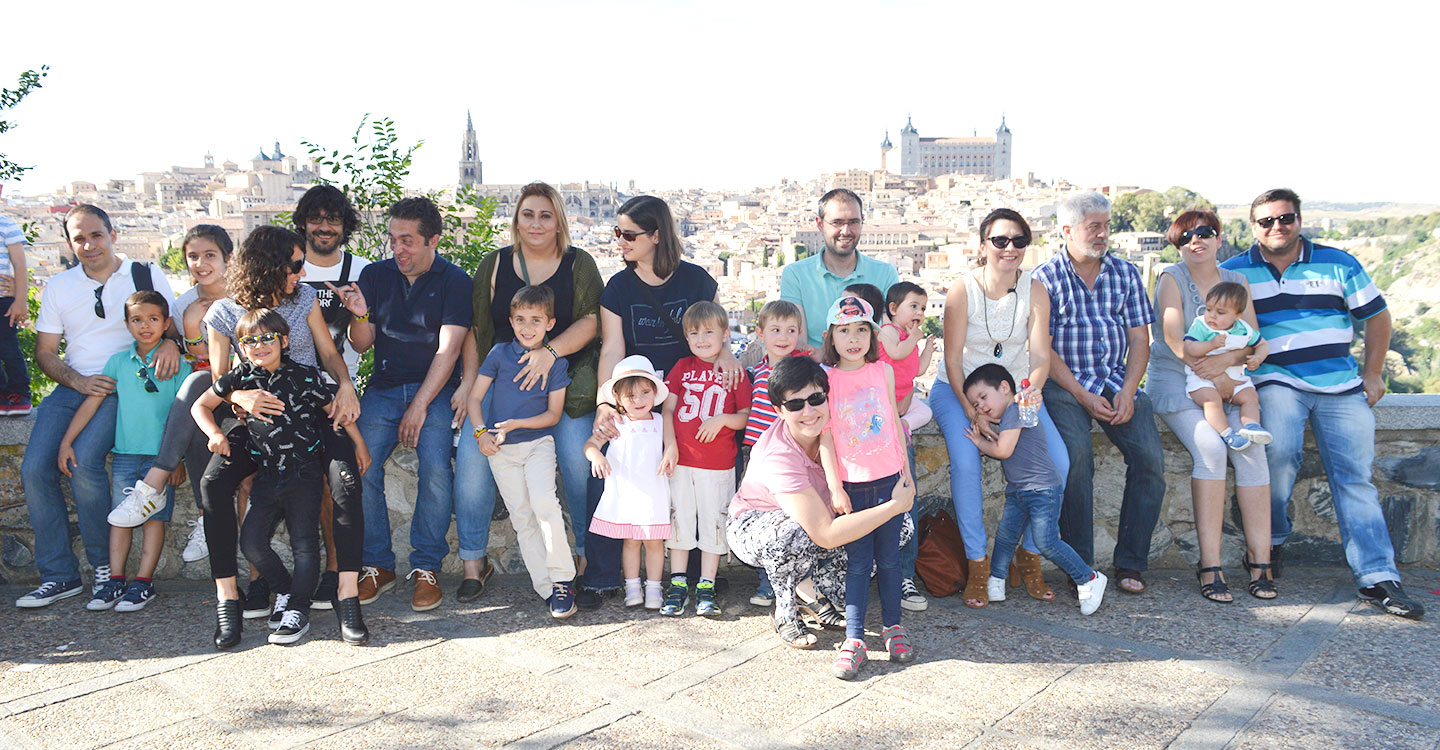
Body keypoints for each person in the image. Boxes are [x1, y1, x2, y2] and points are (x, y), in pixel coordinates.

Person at [1222, 188, 1423, 618]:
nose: (1277, 227)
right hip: (1275, 381)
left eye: (1286, 218)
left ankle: (1377, 577)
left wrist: (1372, 372)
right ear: (1252, 227)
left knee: (1355, 479)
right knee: (1277, 460)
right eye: (1266, 221)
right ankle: (1269, 544)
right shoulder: (1234, 272)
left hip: (1339, 385)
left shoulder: (1339, 263)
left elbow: (1377, 316)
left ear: (1299, 220)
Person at [199, 225, 368, 647]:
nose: (301, 272)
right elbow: (219, 379)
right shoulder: (222, 313)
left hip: (311, 412)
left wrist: (344, 386)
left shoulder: (304, 299)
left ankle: (347, 595)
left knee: (344, 482)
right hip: (255, 423)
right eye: (295, 265)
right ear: (267, 266)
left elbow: (329, 353)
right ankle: (229, 598)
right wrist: (243, 398)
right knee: (214, 483)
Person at [17, 205, 179, 609]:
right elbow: (45, 353)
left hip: (121, 388)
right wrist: (77, 380)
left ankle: (104, 568)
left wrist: (173, 342)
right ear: (70, 243)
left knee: (84, 461)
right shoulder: (59, 286)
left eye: (96, 235)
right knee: (34, 468)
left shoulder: (144, 273)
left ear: (112, 234)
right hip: (75, 386)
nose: (88, 245)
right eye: (79, 238)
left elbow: (171, 325)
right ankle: (59, 576)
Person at [457, 182, 602, 604]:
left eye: (545, 215)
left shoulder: (579, 264)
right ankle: (472, 563)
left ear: (559, 221)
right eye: (528, 214)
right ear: (516, 220)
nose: (536, 223)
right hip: (499, 388)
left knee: (579, 464)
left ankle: (585, 559)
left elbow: (593, 321)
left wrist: (549, 353)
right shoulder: (496, 265)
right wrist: (471, 386)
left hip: (564, 385)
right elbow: (477, 329)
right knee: (470, 463)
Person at [594, 195, 740, 605]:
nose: (620, 240)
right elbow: (612, 348)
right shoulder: (618, 287)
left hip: (690, 391)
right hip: (638, 395)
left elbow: (714, 327)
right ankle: (609, 574)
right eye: (617, 232)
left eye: (628, 234)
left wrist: (725, 353)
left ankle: (695, 573)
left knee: (693, 480)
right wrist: (606, 401)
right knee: (621, 477)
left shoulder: (695, 280)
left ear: (656, 235)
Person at [726, 356, 913, 664]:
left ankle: (815, 591)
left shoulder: (841, 429)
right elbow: (824, 534)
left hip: (817, 519)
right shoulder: (778, 455)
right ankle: (785, 610)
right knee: (793, 534)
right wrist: (893, 505)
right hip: (754, 524)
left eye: (816, 399)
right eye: (795, 405)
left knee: (900, 527)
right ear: (778, 411)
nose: (809, 411)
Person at [334, 197, 472, 612]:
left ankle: (426, 566)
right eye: (394, 240)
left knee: (434, 468)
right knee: (360, 466)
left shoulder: (456, 281)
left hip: (437, 389)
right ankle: (379, 564)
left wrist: (420, 406)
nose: (399, 249)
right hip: (385, 387)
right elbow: (362, 343)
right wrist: (359, 314)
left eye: (408, 241)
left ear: (433, 239)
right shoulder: (377, 276)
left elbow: (448, 353)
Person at [930, 208, 1070, 607]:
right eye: (1000, 241)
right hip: (958, 390)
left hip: (1015, 393)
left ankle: (1027, 557)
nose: (1010, 248)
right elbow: (954, 361)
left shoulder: (1035, 289)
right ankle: (978, 564)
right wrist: (973, 410)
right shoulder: (963, 290)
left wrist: (1028, 395)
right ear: (983, 246)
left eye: (1019, 241)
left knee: (1058, 464)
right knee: (967, 461)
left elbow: (1041, 355)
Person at [1033, 191, 1164, 595]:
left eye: (1106, 226)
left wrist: (1129, 390)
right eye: (1095, 226)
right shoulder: (1045, 278)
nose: (1104, 234)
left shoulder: (1124, 274)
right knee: (1076, 463)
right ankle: (1082, 570)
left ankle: (1131, 563)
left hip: (1115, 378)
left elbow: (1140, 339)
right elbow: (1044, 348)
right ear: (1067, 230)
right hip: (1064, 385)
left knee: (1150, 463)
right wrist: (1082, 395)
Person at [1147, 209, 1275, 602]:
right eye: (1184, 238)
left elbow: (1252, 340)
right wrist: (1214, 371)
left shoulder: (1237, 281)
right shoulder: (1172, 278)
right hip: (1180, 382)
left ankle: (1261, 561)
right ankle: (1210, 564)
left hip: (1230, 379)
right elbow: (1173, 339)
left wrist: (1231, 365)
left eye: (1204, 233)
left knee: (1253, 450)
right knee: (1211, 449)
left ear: (1219, 238)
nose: (1195, 242)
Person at [112, 225, 235, 567]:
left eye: (209, 255)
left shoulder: (244, 295)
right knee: (198, 420)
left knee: (198, 385)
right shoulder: (183, 305)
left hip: (240, 386)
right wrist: (169, 339)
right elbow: (175, 340)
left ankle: (152, 484)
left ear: (229, 257)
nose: (200, 263)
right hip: (209, 395)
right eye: (192, 256)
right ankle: (205, 519)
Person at [59, 291, 189, 612]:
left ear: (166, 323)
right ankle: (115, 580)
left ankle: (144, 583)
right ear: (127, 325)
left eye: (153, 319)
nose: (145, 326)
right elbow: (93, 401)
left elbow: (184, 414)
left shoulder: (178, 364)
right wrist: (67, 441)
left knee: (153, 519)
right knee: (120, 518)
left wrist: (178, 459)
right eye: (137, 320)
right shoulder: (118, 362)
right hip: (126, 455)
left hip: (162, 458)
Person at [814, 296, 916, 681]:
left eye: (861, 330)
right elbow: (824, 435)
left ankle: (893, 627)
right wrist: (835, 487)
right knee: (858, 564)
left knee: (889, 560)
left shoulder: (882, 372)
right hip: (853, 485)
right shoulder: (826, 377)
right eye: (844, 331)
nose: (853, 339)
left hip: (889, 479)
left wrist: (906, 474)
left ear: (872, 335)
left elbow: (892, 420)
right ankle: (854, 639)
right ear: (832, 336)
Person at [465, 285, 576, 618]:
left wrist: (515, 424)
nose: (528, 327)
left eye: (536, 320)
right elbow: (474, 398)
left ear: (550, 323)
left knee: (544, 504)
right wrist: (480, 432)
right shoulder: (499, 354)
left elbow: (553, 415)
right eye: (521, 320)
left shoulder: (557, 364)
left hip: (538, 444)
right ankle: (545, 587)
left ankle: (562, 580)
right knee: (523, 519)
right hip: (501, 452)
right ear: (511, 322)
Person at [964, 364, 1107, 615]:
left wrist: (977, 441)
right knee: (1006, 536)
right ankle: (996, 580)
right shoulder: (1013, 413)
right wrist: (991, 441)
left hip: (1042, 490)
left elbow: (1003, 451)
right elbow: (1012, 447)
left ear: (1005, 388)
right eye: (975, 404)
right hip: (1020, 489)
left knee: (1047, 541)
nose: (981, 407)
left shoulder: (1018, 408)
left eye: (983, 397)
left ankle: (1089, 578)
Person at [294, 184, 371, 608]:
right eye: (316, 218)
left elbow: (361, 344)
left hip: (340, 391)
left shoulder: (362, 270)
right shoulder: (291, 266)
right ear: (304, 222)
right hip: (290, 389)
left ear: (344, 226)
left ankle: (335, 570)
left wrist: (359, 311)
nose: (324, 227)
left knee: (334, 484)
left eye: (333, 219)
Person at [659, 301, 750, 618]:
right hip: (681, 462)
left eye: (708, 332)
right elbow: (668, 409)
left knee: (714, 523)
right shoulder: (682, 367)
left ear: (725, 334)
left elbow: (744, 416)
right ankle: (679, 583)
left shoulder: (733, 372)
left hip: (717, 464)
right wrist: (670, 445)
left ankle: (707, 585)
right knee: (680, 521)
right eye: (693, 333)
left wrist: (722, 420)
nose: (701, 339)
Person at [585, 356, 671, 610]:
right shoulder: (616, 423)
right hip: (626, 493)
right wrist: (597, 455)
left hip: (653, 493)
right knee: (631, 541)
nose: (639, 401)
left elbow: (670, 447)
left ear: (655, 392)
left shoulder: (661, 422)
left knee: (655, 542)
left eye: (645, 393)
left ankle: (654, 587)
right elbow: (590, 445)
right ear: (618, 399)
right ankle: (632, 586)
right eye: (630, 396)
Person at [739, 300, 808, 607]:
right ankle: (768, 583)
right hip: (756, 458)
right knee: (764, 519)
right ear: (760, 333)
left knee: (795, 518)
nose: (783, 336)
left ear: (799, 334)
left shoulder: (805, 373)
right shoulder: (753, 374)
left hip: (792, 456)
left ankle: (798, 582)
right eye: (776, 330)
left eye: (790, 330)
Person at [779, 188, 899, 351]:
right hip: (815, 372)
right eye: (837, 222)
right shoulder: (796, 275)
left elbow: (892, 336)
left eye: (853, 222)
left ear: (862, 221)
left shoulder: (885, 274)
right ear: (820, 224)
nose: (846, 231)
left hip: (870, 372)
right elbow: (798, 343)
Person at [1182, 282, 1272, 451]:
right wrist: (1210, 344)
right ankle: (1227, 433)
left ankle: (1252, 426)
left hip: (1236, 377)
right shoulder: (1201, 326)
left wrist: (1258, 358)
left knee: (1250, 397)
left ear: (1237, 315)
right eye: (1209, 309)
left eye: (1220, 312)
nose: (1212, 316)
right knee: (1212, 400)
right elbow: (1189, 348)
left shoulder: (1244, 330)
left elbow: (1262, 344)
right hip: (1203, 378)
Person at [878, 281, 936, 431]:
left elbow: (918, 370)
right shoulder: (888, 330)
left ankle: (903, 427)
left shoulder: (910, 338)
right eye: (914, 306)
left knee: (925, 412)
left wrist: (927, 351)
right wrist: (913, 338)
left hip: (904, 395)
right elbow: (896, 353)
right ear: (894, 309)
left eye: (923, 308)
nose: (920, 312)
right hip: (883, 395)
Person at [0, 212, 31, 415]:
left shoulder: (7, 226)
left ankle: (20, 392)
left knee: (8, 347)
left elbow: (20, 264)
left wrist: (21, 300)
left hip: (3, 300)